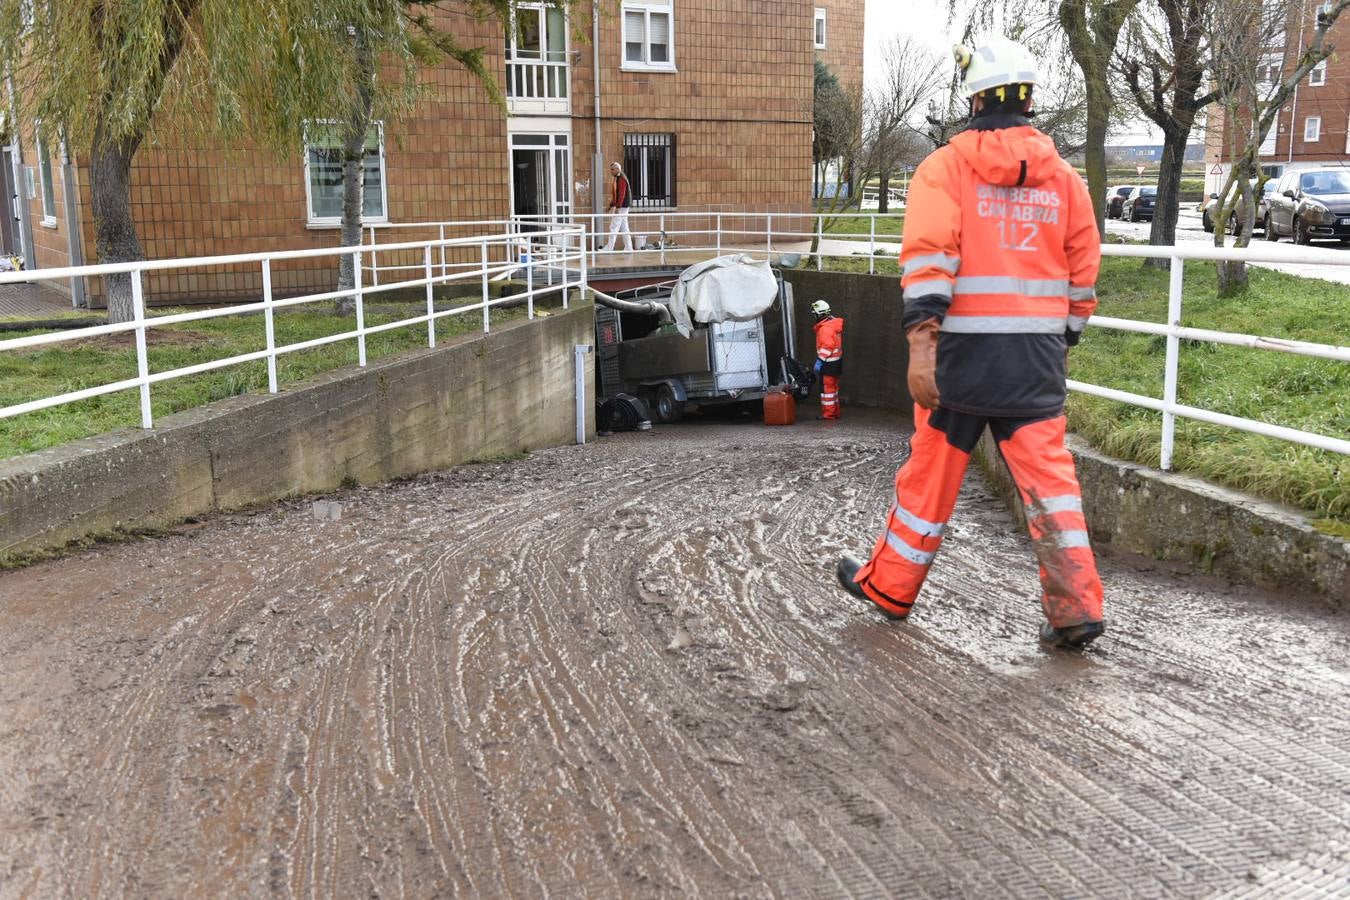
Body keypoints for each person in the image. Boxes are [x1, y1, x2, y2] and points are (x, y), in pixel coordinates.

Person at [834, 37, 1106, 650]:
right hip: (1033, 365)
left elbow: (930, 266)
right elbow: (1083, 275)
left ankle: (891, 588)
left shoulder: (945, 169)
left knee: (928, 480)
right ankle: (1077, 612)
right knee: (1053, 492)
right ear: (1029, 98)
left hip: (957, 363)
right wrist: (1064, 339)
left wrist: (922, 349)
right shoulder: (1065, 181)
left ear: (975, 96)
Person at [811, 300, 844, 419]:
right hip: (836, 363)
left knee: (827, 390)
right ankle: (835, 412)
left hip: (828, 364)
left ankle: (829, 414)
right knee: (833, 390)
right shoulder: (832, 325)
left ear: (820, 314)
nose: (814, 317)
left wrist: (820, 360)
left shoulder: (825, 328)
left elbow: (827, 347)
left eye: (815, 314)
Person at [601, 161, 634, 253]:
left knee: (613, 226)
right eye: (610, 169)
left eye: (612, 169)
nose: (611, 171)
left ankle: (609, 248)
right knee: (624, 227)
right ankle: (628, 247)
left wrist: (616, 207)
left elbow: (621, 195)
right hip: (623, 206)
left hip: (622, 206)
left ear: (617, 169)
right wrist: (611, 205)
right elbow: (616, 194)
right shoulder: (618, 178)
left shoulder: (621, 179)